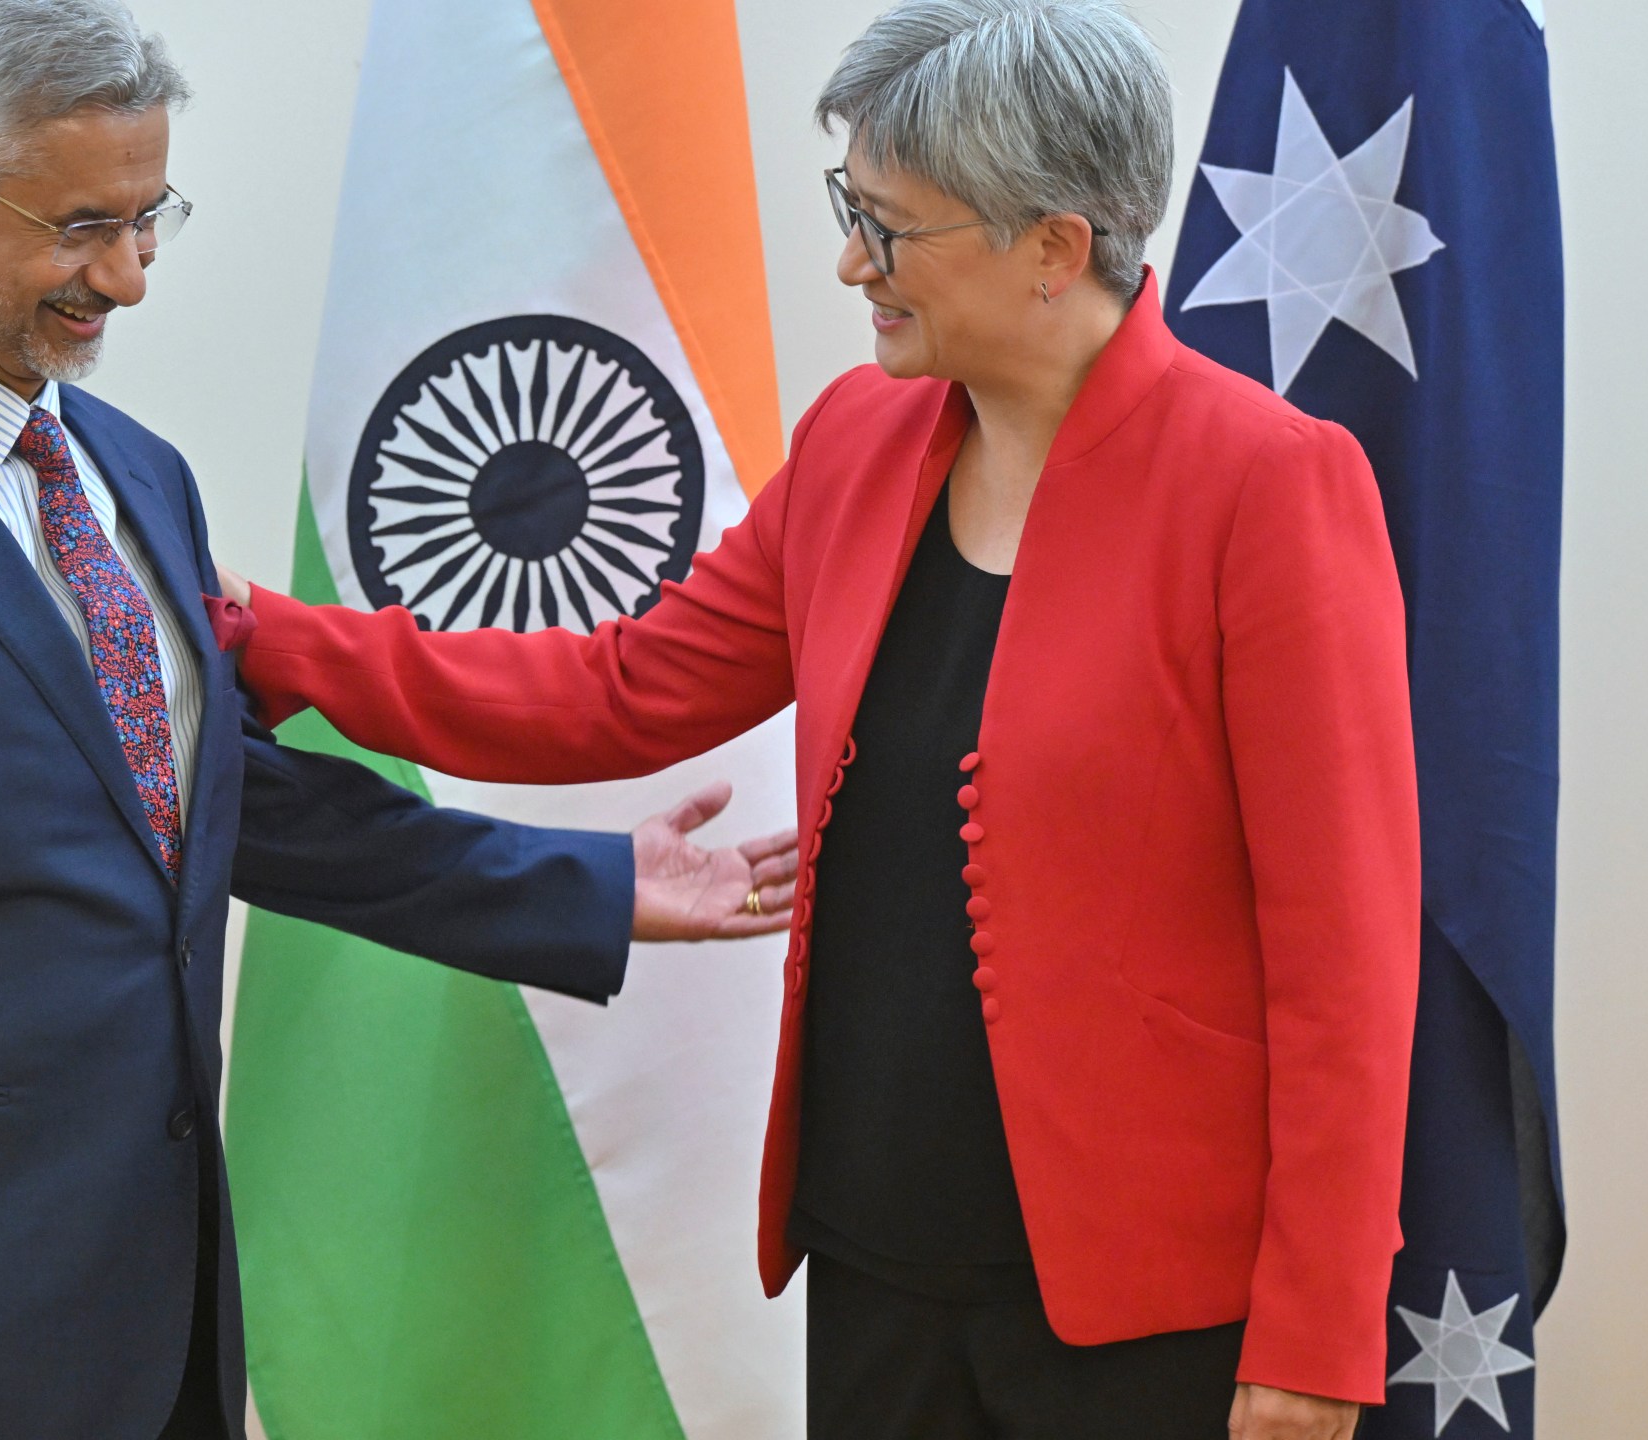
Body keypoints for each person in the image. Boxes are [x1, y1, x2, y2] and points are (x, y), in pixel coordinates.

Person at [0, 2, 798, 1437]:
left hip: (148, 1330)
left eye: (153, 219)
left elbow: (218, 805)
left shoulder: (138, 477)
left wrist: (588, 884)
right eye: (84, 227)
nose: (130, 281)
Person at [218, 1, 1421, 1436]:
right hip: (873, 1259)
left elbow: (1345, 959)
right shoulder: (859, 438)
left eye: (893, 228)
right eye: (852, 208)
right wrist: (266, 639)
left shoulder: (1268, 485)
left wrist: (1316, 1336)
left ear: (1056, 246)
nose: (854, 262)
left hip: (1145, 1309)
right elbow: (618, 689)